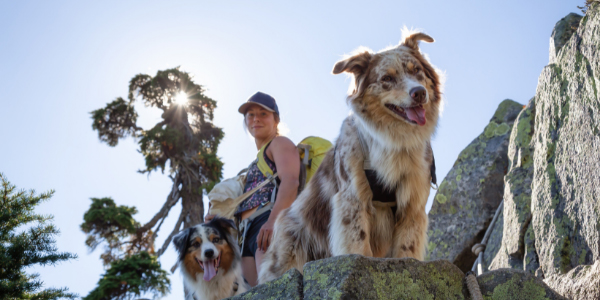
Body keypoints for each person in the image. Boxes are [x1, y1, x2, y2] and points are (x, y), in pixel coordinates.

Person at [206, 92, 300, 287]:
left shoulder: (279, 144)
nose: (256, 118)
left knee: (275, 289)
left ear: (276, 120)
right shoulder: (252, 165)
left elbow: (291, 181)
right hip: (246, 234)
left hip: (268, 221)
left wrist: (274, 221)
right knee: (257, 293)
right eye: (250, 115)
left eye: (263, 114)